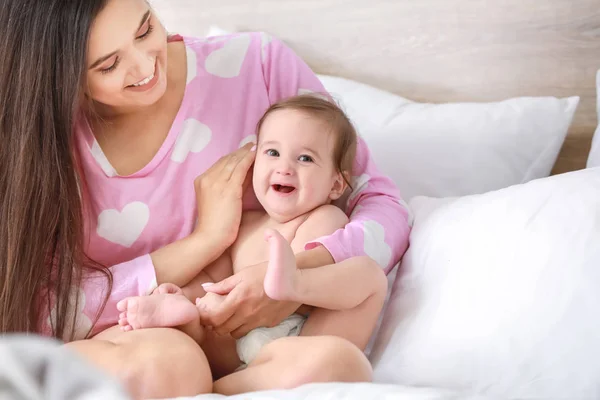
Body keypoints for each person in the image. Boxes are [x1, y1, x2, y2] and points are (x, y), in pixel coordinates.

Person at [0, 0, 410, 398]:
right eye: (108, 64)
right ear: (57, 75)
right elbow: (37, 309)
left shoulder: (257, 67)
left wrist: (294, 278)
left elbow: (380, 203)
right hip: (144, 340)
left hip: (272, 350)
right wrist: (205, 241)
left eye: (145, 28)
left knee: (339, 362)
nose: (145, 66)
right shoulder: (35, 147)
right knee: (168, 366)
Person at [116, 94, 389, 374]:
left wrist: (287, 278)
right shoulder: (244, 225)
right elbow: (212, 280)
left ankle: (237, 381)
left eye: (305, 158)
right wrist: (187, 295)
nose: (285, 167)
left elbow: (319, 271)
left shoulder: (325, 217)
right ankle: (181, 316)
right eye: (272, 153)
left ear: (335, 185)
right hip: (236, 345)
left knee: (366, 280)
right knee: (207, 323)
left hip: (296, 337)